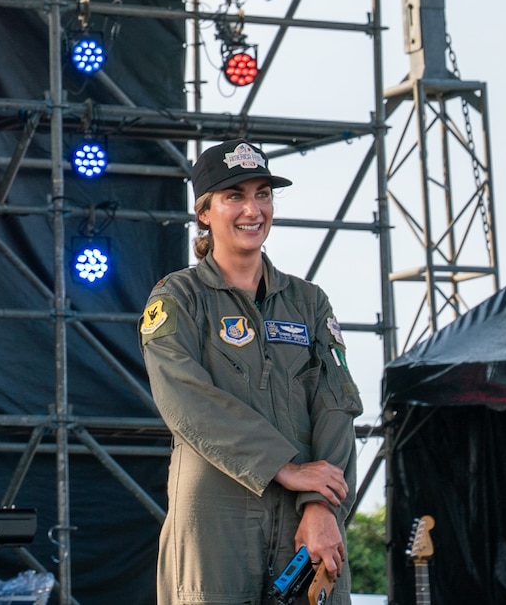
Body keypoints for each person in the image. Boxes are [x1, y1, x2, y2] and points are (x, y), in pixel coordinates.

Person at [140, 141, 364, 605]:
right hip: (215, 515)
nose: (253, 209)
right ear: (204, 213)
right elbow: (186, 400)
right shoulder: (178, 296)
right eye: (234, 196)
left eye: (263, 194)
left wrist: (321, 503)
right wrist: (284, 468)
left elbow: (337, 402)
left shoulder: (310, 301)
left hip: (307, 518)